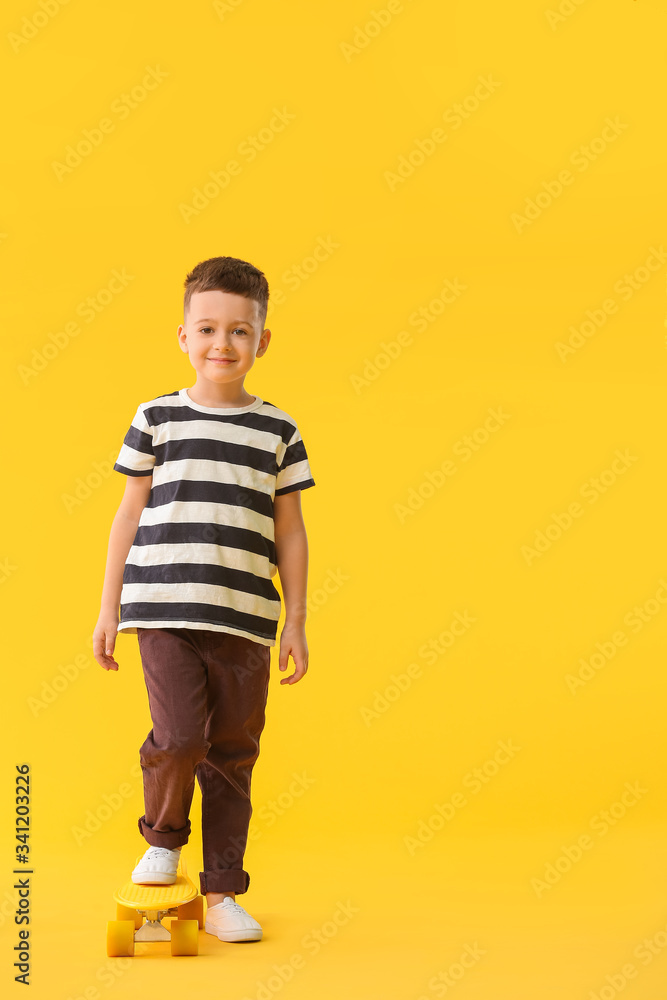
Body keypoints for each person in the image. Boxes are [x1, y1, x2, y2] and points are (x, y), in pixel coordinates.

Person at [92, 255, 315, 943]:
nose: (223, 344)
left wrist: (296, 622)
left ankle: (222, 895)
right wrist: (109, 606)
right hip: (162, 610)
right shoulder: (155, 417)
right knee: (182, 736)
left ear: (262, 341)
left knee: (233, 751)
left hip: (245, 619)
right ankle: (162, 837)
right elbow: (126, 513)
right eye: (209, 329)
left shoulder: (276, 430)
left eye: (240, 331)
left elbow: (291, 530)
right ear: (184, 337)